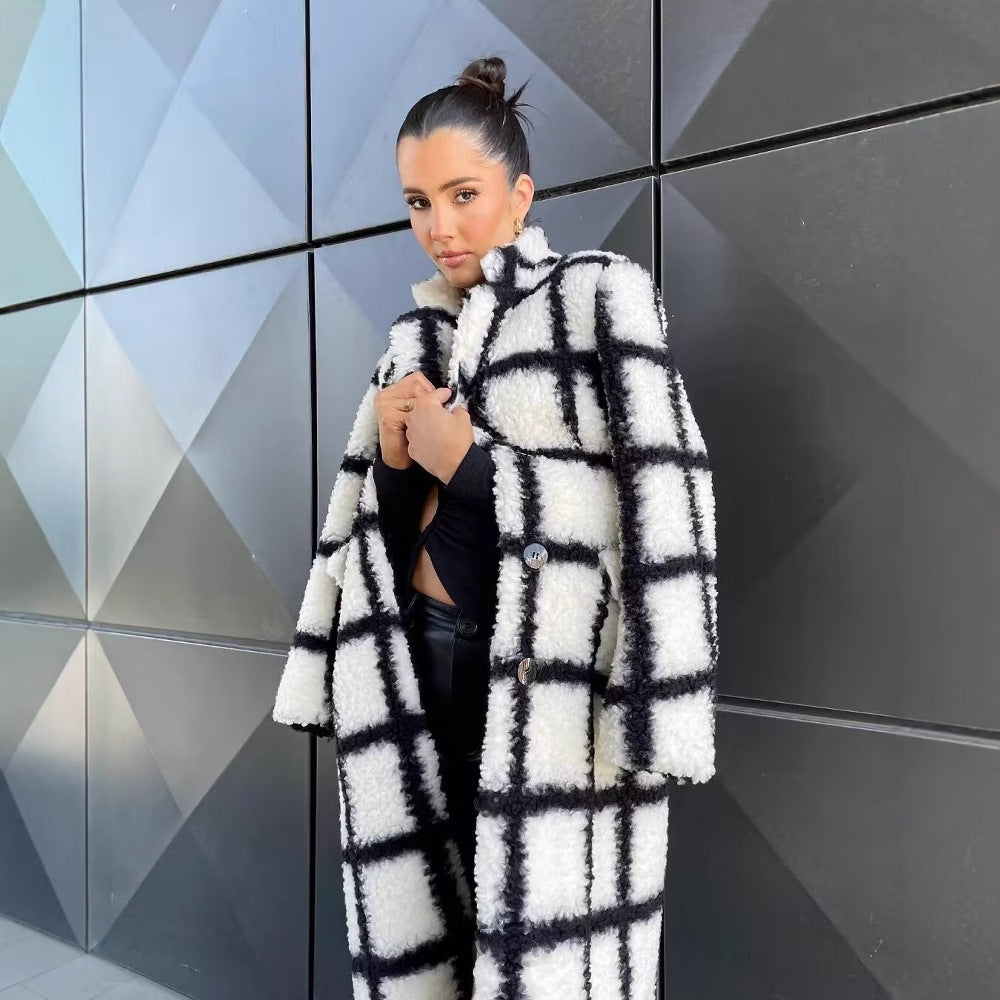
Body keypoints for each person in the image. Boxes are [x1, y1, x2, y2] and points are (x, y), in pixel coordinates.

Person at [272, 54, 719, 1000]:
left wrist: (472, 464)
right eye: (418, 202)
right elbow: (376, 535)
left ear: (520, 196)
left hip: (542, 688)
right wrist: (399, 465)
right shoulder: (414, 339)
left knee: (539, 949)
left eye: (462, 195)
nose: (439, 227)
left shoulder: (597, 296)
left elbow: (662, 500)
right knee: (430, 934)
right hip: (416, 662)